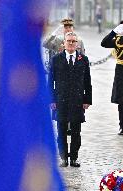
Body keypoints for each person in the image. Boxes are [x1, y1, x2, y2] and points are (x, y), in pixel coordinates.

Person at [49, 32, 92, 167]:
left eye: (74, 41)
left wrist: (87, 100)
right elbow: (50, 81)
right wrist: (51, 100)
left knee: (76, 131)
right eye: (69, 41)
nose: (71, 43)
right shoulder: (56, 59)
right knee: (61, 130)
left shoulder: (83, 59)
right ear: (64, 43)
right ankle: (63, 158)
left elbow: (87, 81)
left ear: (77, 44)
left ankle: (73, 157)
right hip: (60, 100)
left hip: (77, 100)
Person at [43, 18, 85, 136]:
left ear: (72, 28)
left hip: (75, 74)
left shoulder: (79, 41)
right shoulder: (57, 40)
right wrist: (53, 34)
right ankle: (64, 124)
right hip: (61, 74)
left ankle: (72, 125)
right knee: (62, 102)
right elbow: (45, 44)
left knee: (74, 102)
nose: (67, 29)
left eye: (69, 27)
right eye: (65, 27)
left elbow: (83, 56)